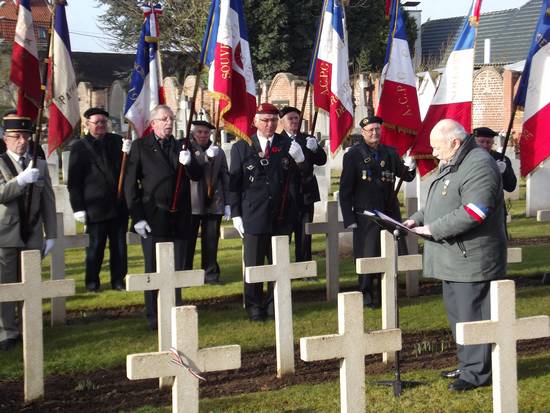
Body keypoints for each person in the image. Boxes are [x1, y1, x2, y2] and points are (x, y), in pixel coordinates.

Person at [403, 119, 507, 392]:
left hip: (472, 258)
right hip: (453, 257)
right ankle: (467, 365)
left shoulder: (478, 164)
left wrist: (433, 230)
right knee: (459, 315)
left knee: (473, 315)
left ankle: (477, 373)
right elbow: (440, 203)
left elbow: (475, 210)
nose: (434, 153)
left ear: (455, 143)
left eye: (437, 148)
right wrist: (415, 220)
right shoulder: (454, 162)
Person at [124, 104, 201, 330]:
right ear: (153, 123)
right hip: (153, 217)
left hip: (179, 217)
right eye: (163, 119)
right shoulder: (141, 147)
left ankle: (174, 311)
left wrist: (190, 163)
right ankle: (153, 315)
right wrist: (137, 217)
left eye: (171, 118)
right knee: (154, 270)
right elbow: (130, 186)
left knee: (176, 269)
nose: (168, 123)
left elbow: (197, 176)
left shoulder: (182, 146)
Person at [229, 103, 306, 321]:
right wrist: (235, 213)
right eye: (264, 120)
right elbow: (235, 183)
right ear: (255, 122)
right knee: (254, 263)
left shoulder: (287, 144)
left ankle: (275, 303)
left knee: (278, 263)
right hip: (253, 213)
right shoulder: (242, 147)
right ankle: (254, 305)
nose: (269, 125)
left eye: (273, 120)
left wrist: (301, 161)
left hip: (281, 214)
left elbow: (302, 180)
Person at [339, 116, 415, 308]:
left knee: (388, 255)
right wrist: (349, 218)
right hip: (366, 216)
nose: (375, 133)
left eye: (377, 130)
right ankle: (366, 293)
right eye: (370, 130)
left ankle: (386, 292)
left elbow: (405, 176)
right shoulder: (353, 155)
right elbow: (346, 190)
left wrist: (411, 165)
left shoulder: (390, 153)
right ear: (363, 133)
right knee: (367, 255)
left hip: (388, 213)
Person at [0, 115, 56, 351]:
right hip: (5, 234)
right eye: (16, 137)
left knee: (31, 283)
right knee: (6, 284)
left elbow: (48, 202)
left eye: (26, 137)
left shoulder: (39, 164)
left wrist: (51, 234)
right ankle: (7, 332)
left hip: (32, 233)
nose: (22, 142)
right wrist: (20, 181)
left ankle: (29, 327)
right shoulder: (1, 162)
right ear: (5, 139)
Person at [67, 107, 130, 292]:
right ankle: (92, 283)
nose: (101, 126)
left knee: (119, 248)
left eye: (104, 122)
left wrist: (128, 152)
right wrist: (78, 207)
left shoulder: (117, 141)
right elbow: (74, 181)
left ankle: (118, 281)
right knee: (95, 248)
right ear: (87, 124)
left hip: (118, 205)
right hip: (95, 206)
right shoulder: (80, 146)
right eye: (97, 123)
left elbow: (127, 169)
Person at [278, 106, 327, 264]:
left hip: (305, 193)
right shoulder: (278, 141)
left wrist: (316, 149)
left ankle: (304, 266)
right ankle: (283, 266)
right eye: (290, 118)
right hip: (285, 195)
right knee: (284, 233)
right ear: (282, 121)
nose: (294, 121)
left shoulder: (307, 139)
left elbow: (321, 160)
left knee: (305, 233)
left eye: (296, 118)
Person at [187, 120, 230, 284]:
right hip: (192, 201)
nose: (203, 135)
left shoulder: (218, 151)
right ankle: (187, 273)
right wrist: (205, 158)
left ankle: (211, 273)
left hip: (214, 201)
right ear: (194, 133)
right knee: (189, 240)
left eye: (206, 133)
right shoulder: (187, 148)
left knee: (211, 241)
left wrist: (227, 203)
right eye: (200, 132)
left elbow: (225, 175)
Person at [474, 127, 517, 193]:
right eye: (481, 142)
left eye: (488, 142)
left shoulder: (501, 158)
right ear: (474, 142)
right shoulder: (467, 157)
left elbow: (511, 187)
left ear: (493, 143)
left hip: (495, 200)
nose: (485, 145)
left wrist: (503, 173)